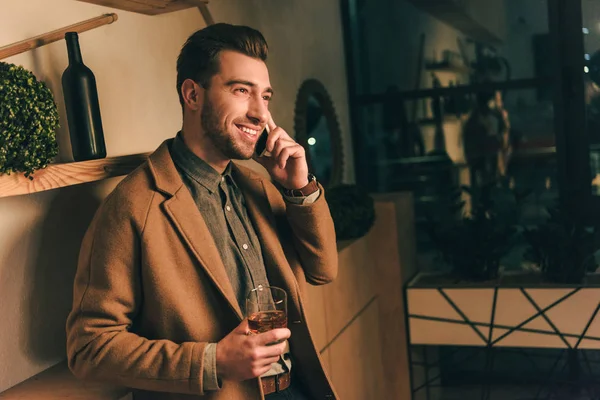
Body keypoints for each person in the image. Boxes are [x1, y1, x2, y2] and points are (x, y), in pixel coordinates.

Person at [66, 23, 339, 400]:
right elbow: (88, 349)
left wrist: (298, 187)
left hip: (293, 388)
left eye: (265, 96)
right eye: (242, 90)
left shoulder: (258, 186)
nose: (261, 113)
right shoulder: (133, 206)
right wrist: (211, 362)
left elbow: (323, 270)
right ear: (193, 94)